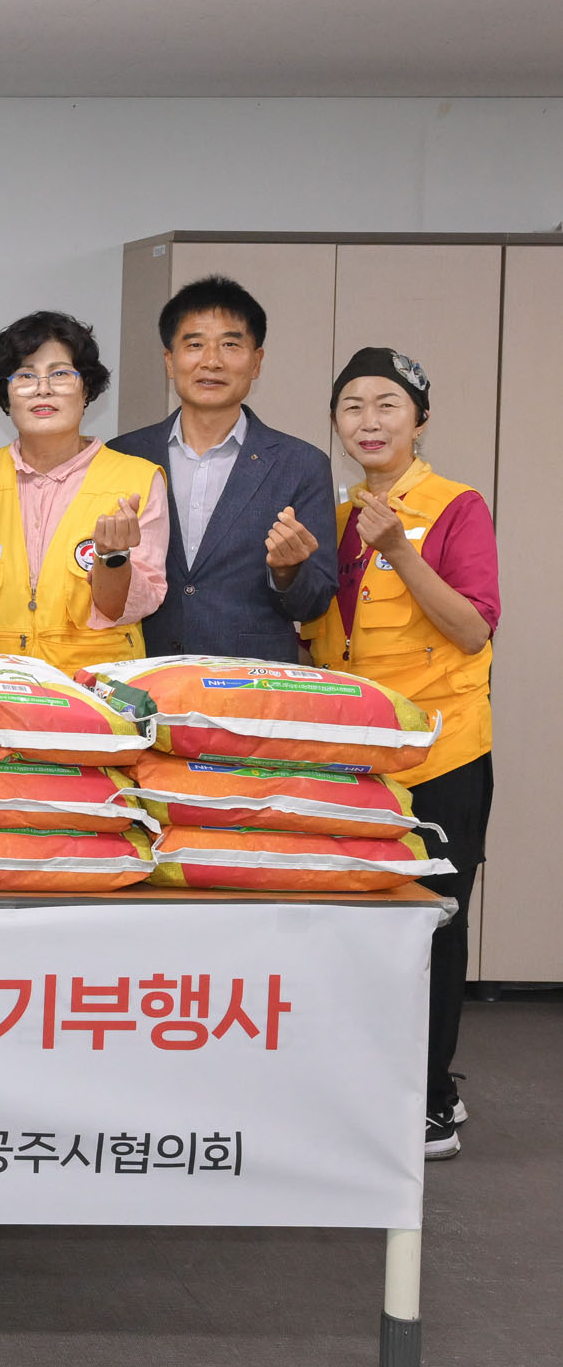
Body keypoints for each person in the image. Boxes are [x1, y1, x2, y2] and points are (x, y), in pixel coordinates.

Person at [304, 348, 498, 1162]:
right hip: (356, 759)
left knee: (434, 927)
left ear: (420, 418)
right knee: (357, 929)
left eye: (388, 404)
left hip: (440, 755)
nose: (370, 422)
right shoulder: (334, 517)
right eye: (352, 406)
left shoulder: (456, 506)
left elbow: (473, 628)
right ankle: (368, 1084)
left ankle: (432, 1100)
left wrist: (403, 551)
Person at [112, 275, 336, 661]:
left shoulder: (301, 464)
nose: (212, 361)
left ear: (256, 362)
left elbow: (314, 603)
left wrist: (287, 572)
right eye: (194, 344)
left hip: (252, 681)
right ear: (169, 361)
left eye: (230, 345)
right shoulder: (123, 456)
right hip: (143, 671)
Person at [0, 311, 170, 676]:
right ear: (5, 395)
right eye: (25, 375)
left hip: (95, 689)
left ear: (86, 389)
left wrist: (113, 559)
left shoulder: (137, 479)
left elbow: (129, 607)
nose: (43, 388)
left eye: (60, 374)